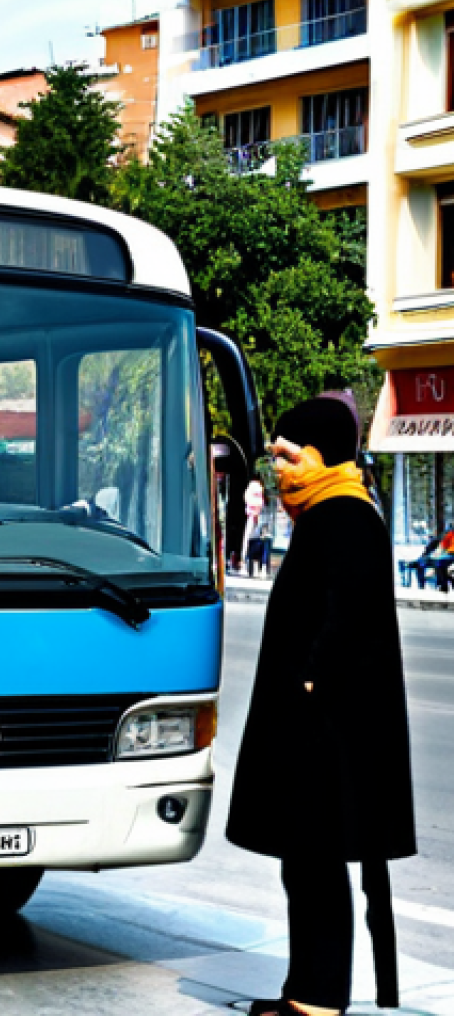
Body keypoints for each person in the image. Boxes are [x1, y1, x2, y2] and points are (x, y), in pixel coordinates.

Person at [226, 394, 416, 1016]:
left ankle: (317, 999)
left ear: (317, 454)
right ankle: (305, 991)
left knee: (316, 865)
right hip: (314, 729)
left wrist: (309, 681)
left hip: (326, 734)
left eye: (287, 455)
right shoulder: (328, 512)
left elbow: (347, 618)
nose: (278, 469)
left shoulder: (345, 515)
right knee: (305, 865)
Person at [241, 478, 265, 575]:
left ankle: (246, 559)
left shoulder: (253, 488)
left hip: (253, 515)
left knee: (249, 538)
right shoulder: (257, 488)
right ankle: (249, 560)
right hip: (254, 515)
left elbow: (247, 499)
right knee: (252, 538)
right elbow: (259, 502)